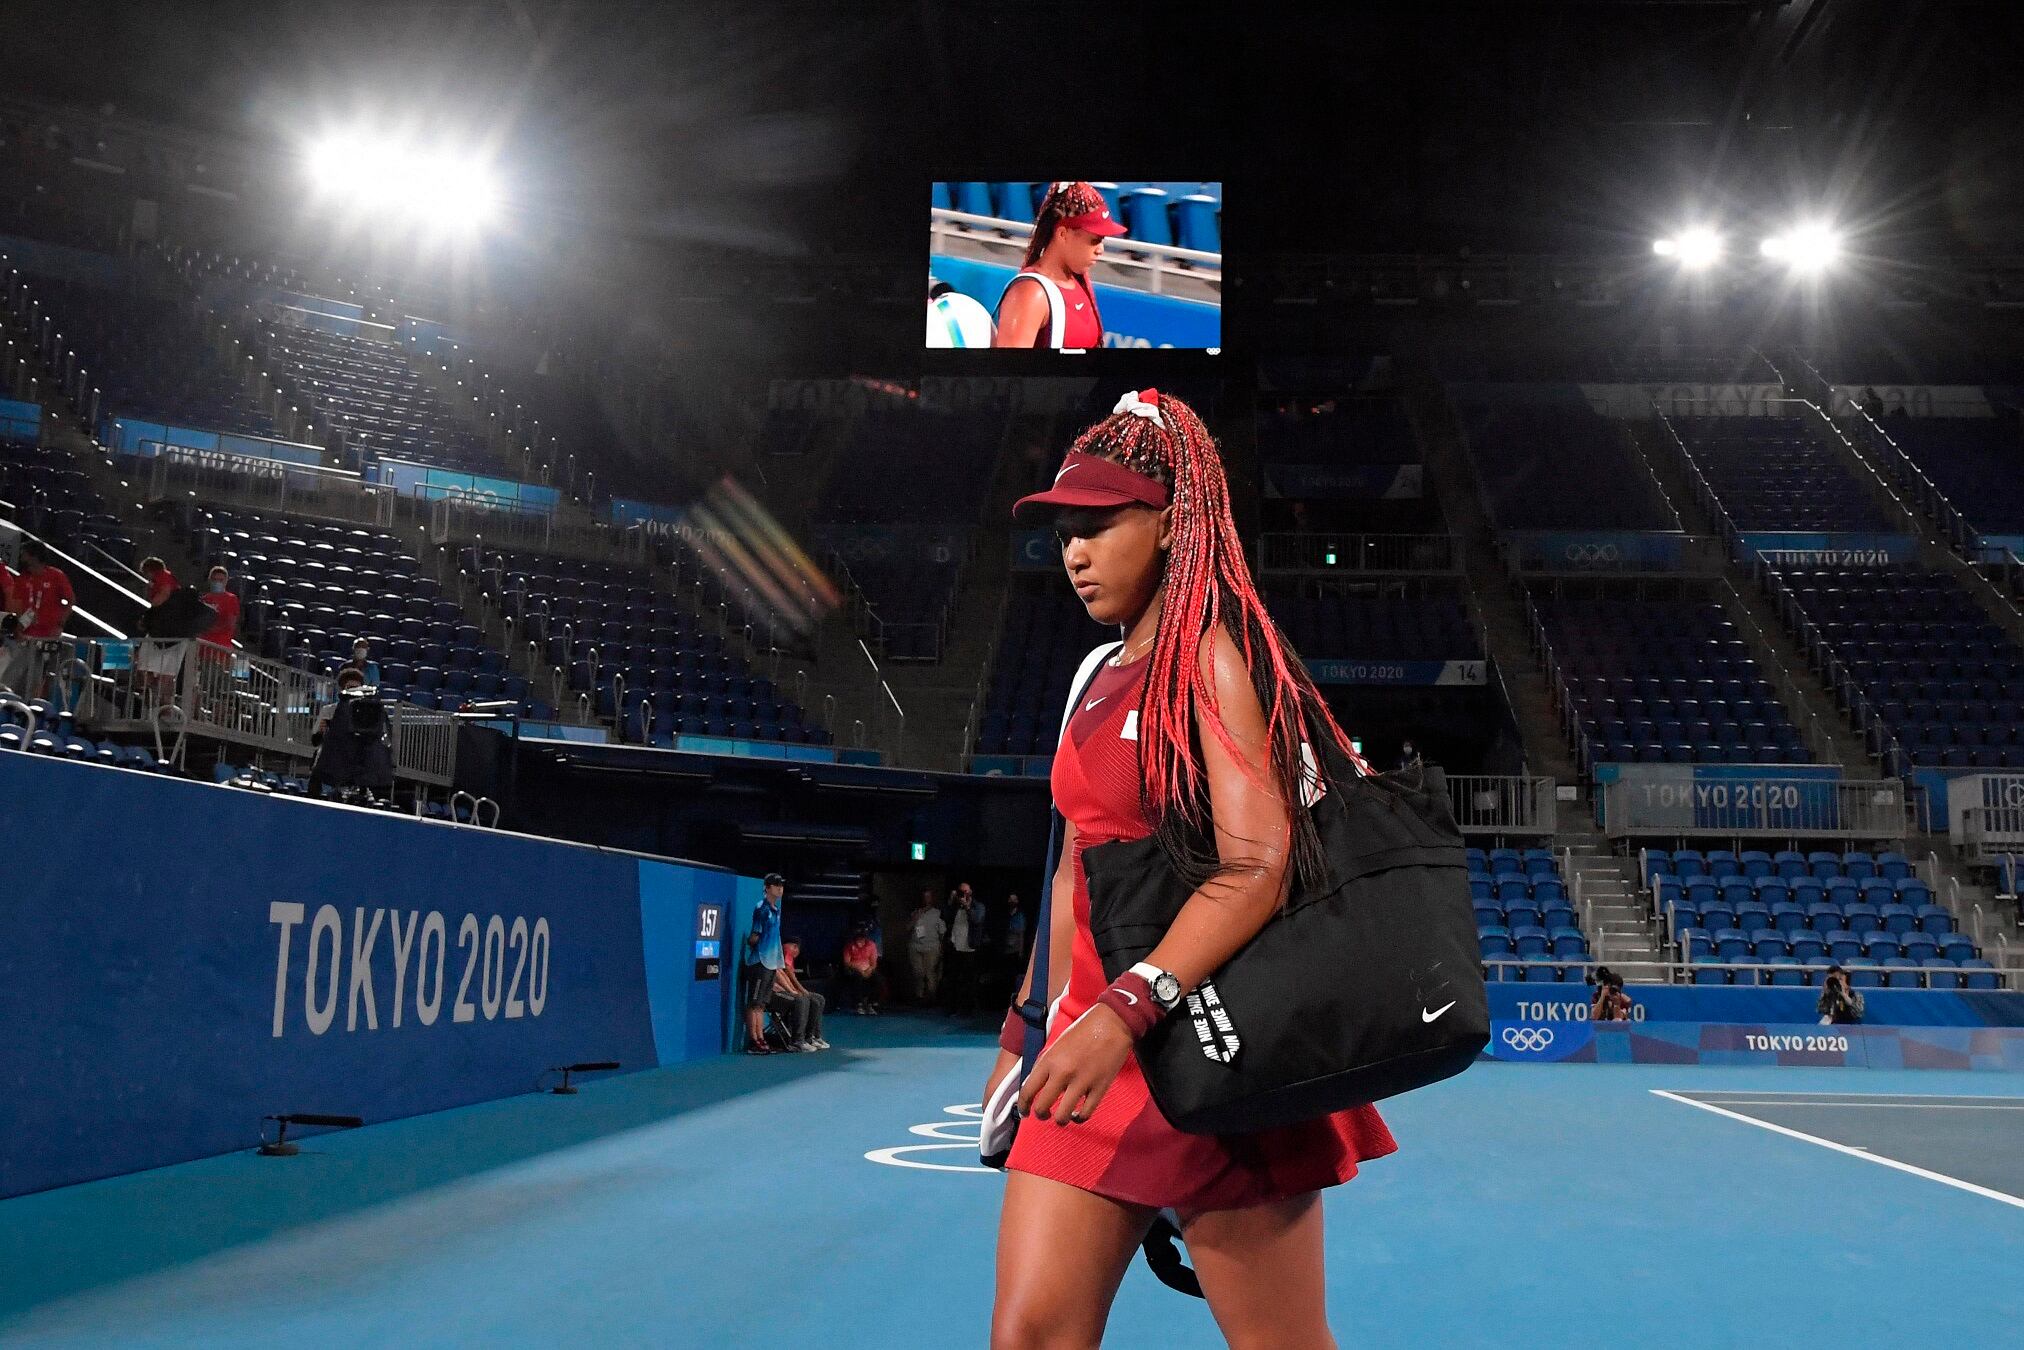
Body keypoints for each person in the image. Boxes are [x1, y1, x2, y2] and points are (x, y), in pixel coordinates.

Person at [987, 388, 1395, 1347]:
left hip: (1217, 1053)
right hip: (1089, 1057)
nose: (1074, 553)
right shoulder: (1091, 677)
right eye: (1063, 533)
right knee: (1028, 1336)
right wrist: (1027, 1023)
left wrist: (1128, 1010)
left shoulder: (1219, 659)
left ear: (1171, 523)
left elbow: (1257, 867)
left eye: (1100, 524)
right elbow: (1071, 871)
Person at [992, 181, 1126, 350]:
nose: (1101, 250)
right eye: (1094, 241)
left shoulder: (1079, 283)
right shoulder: (1031, 293)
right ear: (1063, 234)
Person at [2, 542, 74, 696]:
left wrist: (60, 624)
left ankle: (30, 702)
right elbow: (21, 608)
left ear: (34, 556)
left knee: (39, 673)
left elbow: (69, 600)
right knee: (22, 671)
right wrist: (18, 628)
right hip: (28, 634)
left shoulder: (56, 576)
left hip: (48, 635)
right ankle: (13, 699)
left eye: (25, 553)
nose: (22, 557)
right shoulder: (23, 579)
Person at [742, 873, 789, 1054]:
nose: (780, 888)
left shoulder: (776, 910)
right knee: (754, 1003)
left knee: (761, 1005)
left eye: (781, 885)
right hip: (759, 962)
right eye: (776, 885)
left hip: (770, 964)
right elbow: (754, 937)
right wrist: (752, 943)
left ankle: (761, 1037)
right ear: (767, 888)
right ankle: (754, 1041)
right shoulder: (761, 909)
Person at [771, 940, 829, 1051]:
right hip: (774, 995)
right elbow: (780, 977)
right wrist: (793, 991)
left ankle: (811, 1037)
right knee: (802, 1000)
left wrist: (793, 990)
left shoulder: (778, 962)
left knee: (818, 999)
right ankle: (797, 1041)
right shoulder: (770, 963)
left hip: (786, 991)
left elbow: (784, 976)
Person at [946, 885, 985, 1013]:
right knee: (953, 979)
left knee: (969, 981)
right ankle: (953, 1007)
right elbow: (945, 917)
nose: (963, 894)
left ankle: (969, 1008)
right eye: (960, 892)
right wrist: (951, 902)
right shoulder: (956, 907)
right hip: (955, 947)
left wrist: (967, 907)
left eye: (965, 891)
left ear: (971, 892)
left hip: (970, 949)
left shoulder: (978, 906)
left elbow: (977, 919)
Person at [907, 889, 947, 1005]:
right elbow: (907, 928)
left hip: (931, 947)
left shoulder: (937, 913)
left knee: (930, 972)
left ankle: (931, 997)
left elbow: (942, 932)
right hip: (916, 946)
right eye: (924, 897)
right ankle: (919, 996)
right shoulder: (915, 912)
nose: (926, 899)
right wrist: (915, 918)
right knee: (918, 972)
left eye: (928, 897)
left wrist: (941, 947)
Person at [840, 922, 883, 1014]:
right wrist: (859, 970)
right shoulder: (850, 945)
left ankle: (871, 1003)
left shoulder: (871, 945)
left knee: (878, 979)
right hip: (854, 969)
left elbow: (873, 962)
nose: (860, 940)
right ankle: (859, 1004)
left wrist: (869, 970)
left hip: (868, 969)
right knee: (857, 978)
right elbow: (847, 962)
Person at [198, 565, 240, 652]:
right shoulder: (204, 599)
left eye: (221, 580)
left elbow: (231, 623)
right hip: (203, 648)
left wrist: (211, 628)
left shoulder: (231, 599)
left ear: (226, 581)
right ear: (210, 580)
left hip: (221, 649)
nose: (217, 582)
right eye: (214, 580)